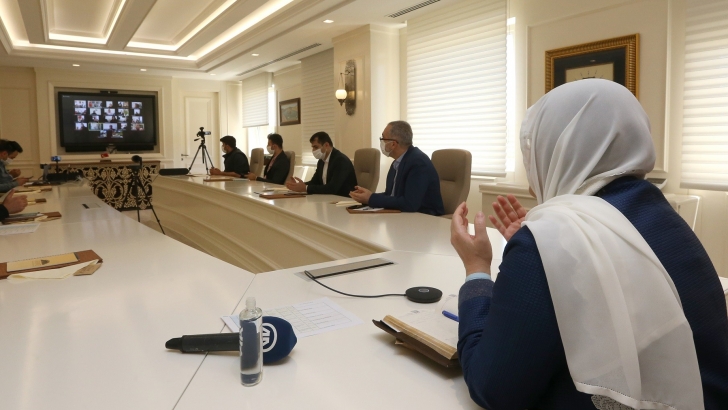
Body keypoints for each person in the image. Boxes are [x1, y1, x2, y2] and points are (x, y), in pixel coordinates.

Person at [450, 79, 728, 409]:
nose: (530, 178)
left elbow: (493, 388)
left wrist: (478, 269)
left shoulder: (552, 239)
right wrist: (548, 256)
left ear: (556, 151)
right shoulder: (666, 218)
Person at [349, 121, 443, 215]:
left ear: (393, 144)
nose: (381, 142)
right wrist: (368, 196)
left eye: (383, 138)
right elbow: (391, 195)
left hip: (426, 218)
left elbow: (409, 204)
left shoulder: (418, 163)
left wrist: (371, 198)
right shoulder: (397, 162)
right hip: (403, 216)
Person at [286, 132, 357, 197]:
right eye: (312, 147)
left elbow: (332, 188)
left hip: (344, 200)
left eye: (316, 147)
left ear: (326, 145)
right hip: (328, 199)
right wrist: (298, 186)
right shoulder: (321, 161)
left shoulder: (341, 160)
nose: (313, 150)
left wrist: (305, 188)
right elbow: (315, 182)